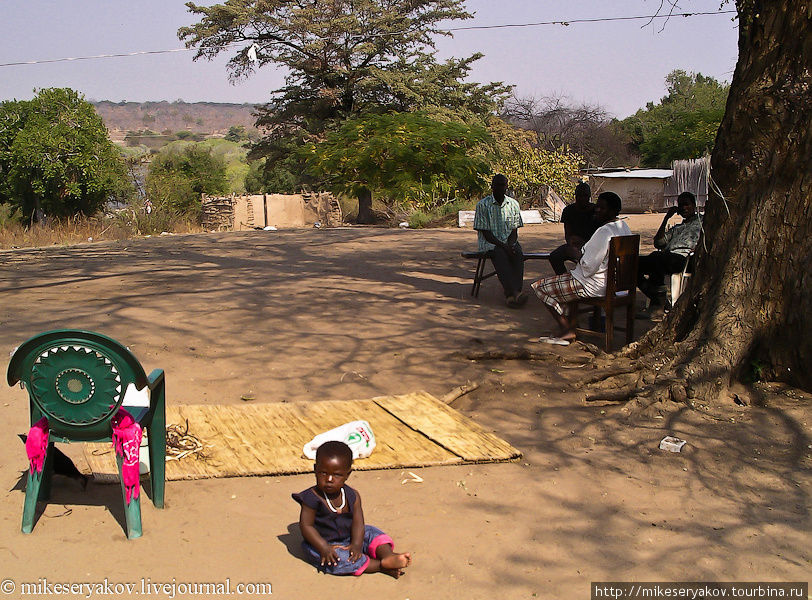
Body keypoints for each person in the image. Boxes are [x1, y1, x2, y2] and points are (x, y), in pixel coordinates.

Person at [292, 441, 411, 578]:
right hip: (323, 544)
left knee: (371, 532)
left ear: (347, 474)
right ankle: (380, 565)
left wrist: (356, 544)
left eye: (337, 475)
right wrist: (324, 547)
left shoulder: (352, 495)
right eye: (323, 473)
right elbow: (306, 526)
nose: (329, 479)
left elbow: (358, 522)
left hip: (351, 536)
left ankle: (388, 556)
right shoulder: (311, 498)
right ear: (315, 469)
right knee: (337, 560)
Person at [530, 192, 631, 345]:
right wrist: (583, 246)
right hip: (616, 285)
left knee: (540, 287)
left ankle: (567, 330)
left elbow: (588, 267)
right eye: (597, 207)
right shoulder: (623, 227)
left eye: (601, 208)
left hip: (593, 285)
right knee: (561, 284)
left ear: (612, 211)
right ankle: (572, 324)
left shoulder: (604, 231)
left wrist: (574, 253)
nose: (596, 210)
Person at [637, 191, 702, 318]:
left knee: (657, 259)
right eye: (681, 205)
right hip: (666, 258)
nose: (684, 208)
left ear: (694, 205)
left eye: (687, 204)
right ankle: (658, 299)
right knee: (632, 263)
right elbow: (658, 243)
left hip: (683, 259)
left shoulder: (701, 223)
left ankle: (658, 305)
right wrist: (666, 218)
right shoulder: (677, 228)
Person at [473, 174, 527, 307]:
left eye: (503, 185)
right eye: (497, 185)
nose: (500, 188)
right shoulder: (483, 205)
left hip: (508, 242)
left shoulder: (513, 204)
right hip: (490, 243)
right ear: (492, 187)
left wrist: (510, 245)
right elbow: (486, 234)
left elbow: (514, 231)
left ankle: (513, 295)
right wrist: (504, 246)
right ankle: (513, 293)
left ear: (506, 187)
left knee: (518, 253)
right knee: (500, 254)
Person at [548, 182, 598, 275]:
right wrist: (572, 244)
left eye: (585, 196)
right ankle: (563, 277)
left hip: (593, 246)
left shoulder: (596, 211)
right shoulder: (569, 210)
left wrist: (586, 245)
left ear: (589, 196)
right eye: (579, 195)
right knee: (554, 256)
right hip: (575, 244)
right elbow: (568, 232)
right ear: (575, 196)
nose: (582, 198)